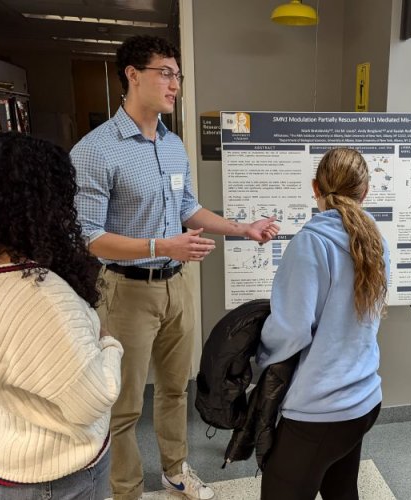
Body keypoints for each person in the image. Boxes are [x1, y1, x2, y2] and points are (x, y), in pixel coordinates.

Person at [70, 35, 279, 500]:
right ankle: (125, 490)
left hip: (177, 284)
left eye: (178, 75)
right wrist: (159, 244)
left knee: (174, 390)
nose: (175, 84)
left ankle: (175, 471)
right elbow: (87, 237)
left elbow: (189, 208)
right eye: (166, 72)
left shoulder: (172, 144)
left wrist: (241, 229)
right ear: (132, 74)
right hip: (125, 291)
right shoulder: (96, 150)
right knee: (123, 405)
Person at [0, 132, 123, 500]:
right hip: (60, 474)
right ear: (46, 204)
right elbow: (92, 399)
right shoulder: (46, 299)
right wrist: (109, 343)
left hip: (3, 467)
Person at [257, 148, 389, 500]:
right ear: (366, 192)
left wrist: (257, 354)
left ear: (315, 187)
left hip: (319, 410)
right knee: (341, 491)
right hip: (363, 399)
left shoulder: (310, 243)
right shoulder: (377, 242)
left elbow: (291, 331)